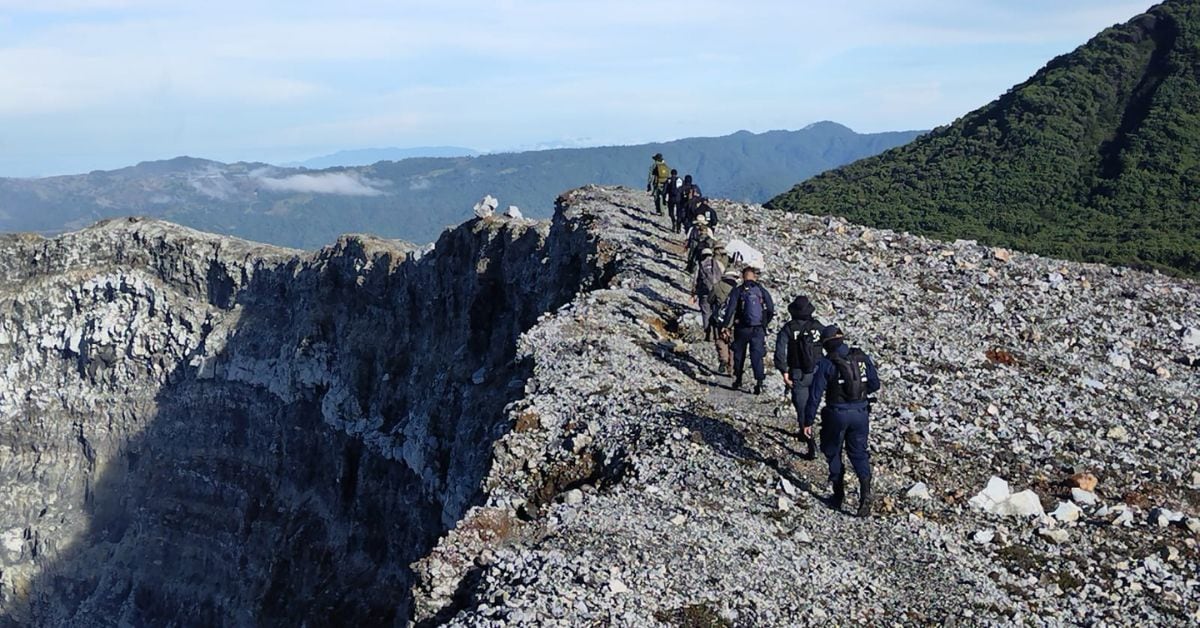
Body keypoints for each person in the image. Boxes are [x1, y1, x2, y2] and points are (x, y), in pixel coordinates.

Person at [804, 325, 881, 517]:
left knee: (833, 450)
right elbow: (875, 384)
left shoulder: (826, 363)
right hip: (861, 413)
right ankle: (865, 493)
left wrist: (807, 421)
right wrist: (858, 395)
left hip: (836, 414)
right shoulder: (861, 357)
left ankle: (838, 495)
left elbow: (815, 395)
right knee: (859, 453)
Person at [773, 296, 824, 460]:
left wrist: (784, 371)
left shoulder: (789, 328)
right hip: (818, 372)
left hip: (798, 373)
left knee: (802, 406)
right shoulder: (818, 327)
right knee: (814, 403)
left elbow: (780, 351)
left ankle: (810, 443)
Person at [720, 266, 774, 394]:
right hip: (758, 329)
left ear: (743, 276)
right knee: (757, 355)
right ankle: (759, 382)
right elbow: (771, 308)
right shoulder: (761, 290)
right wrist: (764, 323)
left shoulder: (738, 290)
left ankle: (738, 379)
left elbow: (730, 309)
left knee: (739, 354)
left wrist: (726, 325)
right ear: (754, 276)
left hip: (742, 328)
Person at [707, 268, 740, 374]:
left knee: (720, 341)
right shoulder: (738, 289)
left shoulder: (717, 286)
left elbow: (709, 300)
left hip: (719, 319)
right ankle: (731, 368)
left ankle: (723, 359)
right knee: (733, 344)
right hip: (734, 321)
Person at [692, 246, 725, 340]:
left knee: (706, 313)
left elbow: (695, 280)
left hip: (704, 293)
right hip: (717, 292)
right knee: (716, 312)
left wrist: (694, 293)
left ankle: (708, 334)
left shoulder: (701, 265)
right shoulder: (718, 264)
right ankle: (717, 334)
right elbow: (723, 276)